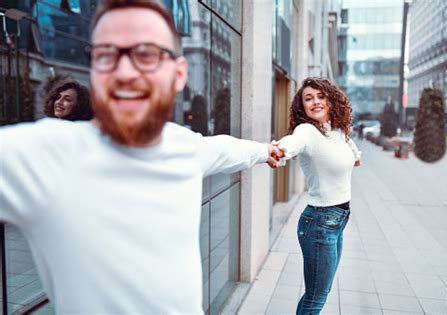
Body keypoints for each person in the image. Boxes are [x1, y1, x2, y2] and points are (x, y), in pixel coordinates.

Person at [0, 1, 282, 313]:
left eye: (145, 54)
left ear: (177, 75)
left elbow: (228, 148)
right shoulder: (45, 156)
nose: (124, 71)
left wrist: (263, 150)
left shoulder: (185, 146)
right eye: (107, 55)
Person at [272, 77, 361, 314]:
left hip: (337, 222)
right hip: (320, 223)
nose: (316, 102)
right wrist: (278, 151)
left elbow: (350, 145)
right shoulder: (307, 131)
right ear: (302, 107)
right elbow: (292, 142)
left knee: (319, 293)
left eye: (321, 96)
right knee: (316, 297)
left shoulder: (336, 131)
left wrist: (356, 156)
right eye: (308, 98)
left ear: (332, 100)